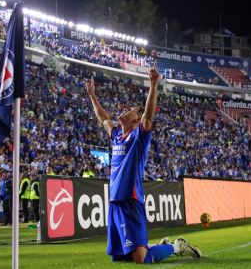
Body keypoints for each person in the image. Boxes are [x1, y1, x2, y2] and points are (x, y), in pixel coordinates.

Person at [86, 70, 202, 264]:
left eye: (131, 109)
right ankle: (159, 245)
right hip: (115, 202)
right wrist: (92, 96)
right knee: (122, 257)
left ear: (135, 120)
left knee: (140, 259)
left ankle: (177, 246)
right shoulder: (116, 136)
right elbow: (103, 118)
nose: (125, 109)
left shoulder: (138, 137)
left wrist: (154, 86)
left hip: (131, 200)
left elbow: (148, 116)